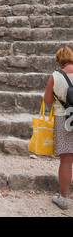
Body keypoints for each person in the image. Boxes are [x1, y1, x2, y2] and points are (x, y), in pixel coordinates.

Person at [44, 47, 73, 210]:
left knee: (66, 161)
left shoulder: (55, 76)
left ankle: (63, 198)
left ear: (59, 60)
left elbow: (48, 100)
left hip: (64, 118)